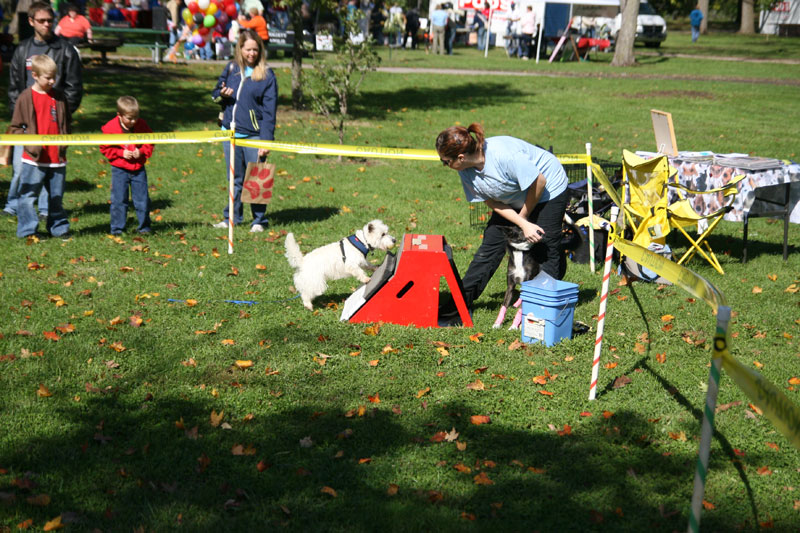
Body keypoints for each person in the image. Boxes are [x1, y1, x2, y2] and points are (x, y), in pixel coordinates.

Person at [435, 123, 569, 326]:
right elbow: (490, 201)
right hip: (512, 198)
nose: (444, 165)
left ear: (460, 157)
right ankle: (457, 307)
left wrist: (523, 220)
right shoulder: (465, 170)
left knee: (545, 246)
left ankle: (540, 315)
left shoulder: (503, 155)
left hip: (547, 189)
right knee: (489, 248)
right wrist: (521, 223)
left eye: (445, 161)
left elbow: (539, 182)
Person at [4, 1, 83, 221]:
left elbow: (74, 88)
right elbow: (14, 88)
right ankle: (13, 205)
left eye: (50, 20)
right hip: (26, 123)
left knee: (51, 167)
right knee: (21, 167)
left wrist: (61, 114)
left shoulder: (66, 50)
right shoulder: (22, 50)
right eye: (41, 21)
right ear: (31, 22)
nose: (47, 24)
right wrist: (18, 115)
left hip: (52, 121)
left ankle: (46, 210)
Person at [210, 29, 277, 232]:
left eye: (255, 50)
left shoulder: (266, 75)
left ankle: (259, 220)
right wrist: (222, 94)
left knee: (257, 178)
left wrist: (266, 141)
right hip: (230, 134)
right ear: (240, 49)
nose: (251, 54)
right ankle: (231, 217)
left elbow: (269, 111)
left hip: (254, 135)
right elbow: (214, 93)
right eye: (248, 49)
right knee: (235, 179)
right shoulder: (231, 68)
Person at [9, 55, 71, 239]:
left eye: (54, 77)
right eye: (48, 78)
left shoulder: (59, 97)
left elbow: (66, 123)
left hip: (56, 159)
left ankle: (59, 228)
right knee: (28, 196)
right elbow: (15, 128)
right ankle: (28, 231)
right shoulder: (25, 97)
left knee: (56, 197)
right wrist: (30, 142)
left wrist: (65, 141)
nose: (52, 81)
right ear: (35, 75)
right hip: (34, 159)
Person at [99, 96, 154, 235]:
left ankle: (144, 227)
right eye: (129, 118)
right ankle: (117, 229)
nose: (133, 121)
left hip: (138, 169)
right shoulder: (110, 128)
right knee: (119, 200)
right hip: (119, 169)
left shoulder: (141, 125)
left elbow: (151, 141)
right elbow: (104, 147)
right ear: (119, 115)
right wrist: (120, 153)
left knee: (142, 200)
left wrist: (141, 151)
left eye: (136, 117)